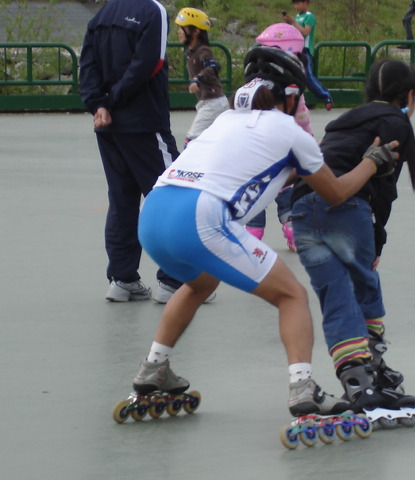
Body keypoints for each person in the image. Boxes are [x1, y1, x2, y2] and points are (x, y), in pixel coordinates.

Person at [130, 47, 401, 418]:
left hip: (156, 212)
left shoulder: (225, 120)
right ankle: (303, 388)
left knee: (200, 283)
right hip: (201, 217)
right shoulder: (289, 130)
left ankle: (153, 366)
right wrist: (372, 163)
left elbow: (266, 171)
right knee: (292, 296)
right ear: (291, 96)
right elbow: (336, 192)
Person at [290, 59, 415, 414]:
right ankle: (376, 373)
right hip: (346, 208)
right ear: (410, 95)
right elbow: (383, 188)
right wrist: (376, 239)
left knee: (336, 296)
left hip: (302, 211)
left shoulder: (345, 120)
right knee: (365, 288)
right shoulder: (396, 121)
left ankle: (359, 383)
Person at [79, 0, 184, 303]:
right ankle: (173, 281)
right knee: (171, 196)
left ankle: (122, 278)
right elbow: (149, 63)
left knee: (122, 199)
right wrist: (112, 100)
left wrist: (98, 105)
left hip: (108, 125)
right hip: (143, 122)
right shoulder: (154, 11)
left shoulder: (102, 14)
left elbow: (86, 65)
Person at [245, 22, 315, 251]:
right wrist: (310, 142)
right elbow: (303, 123)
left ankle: (252, 239)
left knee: (255, 202)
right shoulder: (294, 93)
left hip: (257, 162)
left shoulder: (255, 89)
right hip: (286, 161)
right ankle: (293, 234)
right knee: (287, 199)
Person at [175, 7, 229, 149]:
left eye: (182, 28)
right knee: (217, 142)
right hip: (207, 102)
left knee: (191, 142)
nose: (179, 31)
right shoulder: (191, 52)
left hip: (213, 104)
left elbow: (213, 66)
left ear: (195, 31)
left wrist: (197, 79)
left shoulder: (203, 51)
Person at [283, 0, 334, 109]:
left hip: (305, 50)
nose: (296, 6)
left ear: (306, 2)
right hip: (295, 50)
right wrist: (289, 23)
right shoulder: (296, 17)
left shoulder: (310, 16)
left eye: (298, 3)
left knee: (308, 76)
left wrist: (294, 22)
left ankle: (326, 97)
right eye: (295, 4)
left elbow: (305, 32)